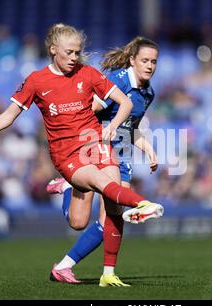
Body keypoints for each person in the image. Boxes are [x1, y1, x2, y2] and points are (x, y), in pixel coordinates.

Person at [0, 24, 164, 287]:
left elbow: (126, 108)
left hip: (95, 144)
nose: (75, 57)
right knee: (82, 216)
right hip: (67, 154)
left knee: (111, 205)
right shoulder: (36, 81)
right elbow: (8, 116)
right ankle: (140, 203)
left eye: (78, 52)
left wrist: (116, 133)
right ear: (53, 50)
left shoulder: (88, 74)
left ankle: (107, 274)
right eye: (70, 52)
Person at [47, 37, 160, 284]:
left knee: (113, 215)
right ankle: (68, 186)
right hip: (94, 151)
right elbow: (89, 110)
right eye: (144, 60)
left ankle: (104, 273)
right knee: (79, 221)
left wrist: (149, 149)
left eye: (153, 61)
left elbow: (131, 128)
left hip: (122, 157)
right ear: (132, 60)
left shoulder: (148, 92)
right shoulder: (118, 81)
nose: (150, 66)